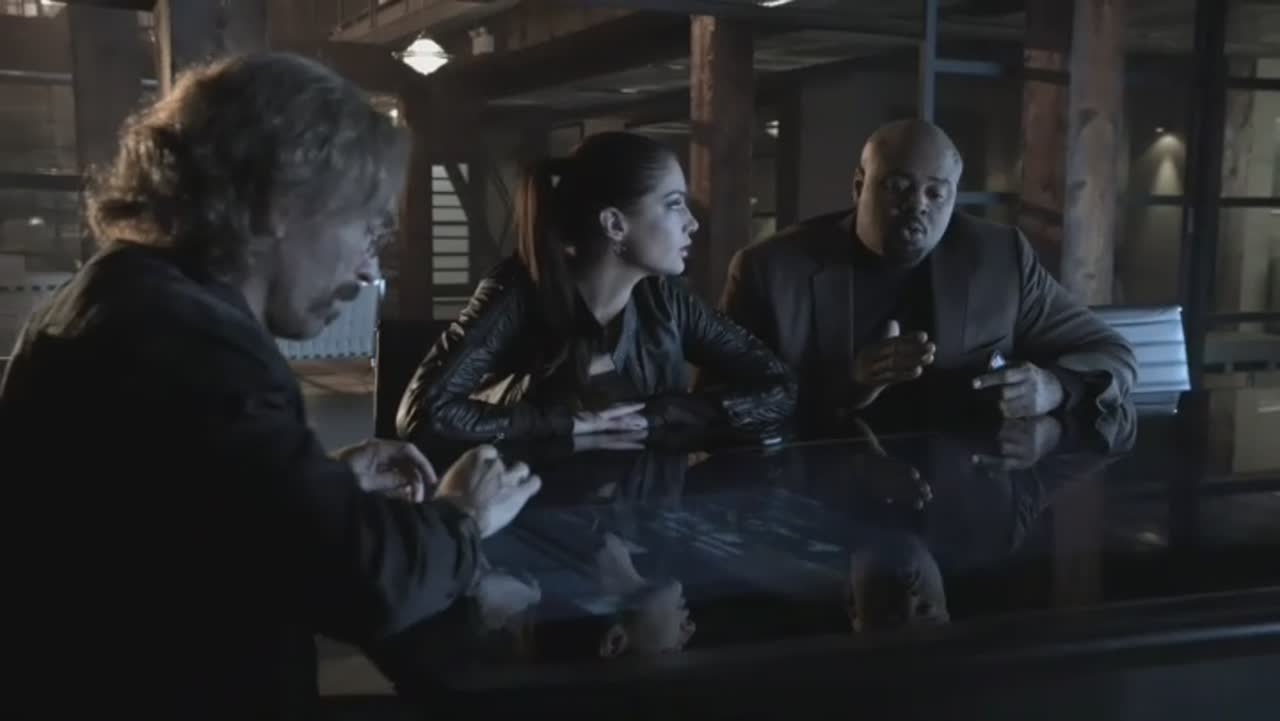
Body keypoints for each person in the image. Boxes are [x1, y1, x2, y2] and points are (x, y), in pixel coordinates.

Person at [0, 53, 540, 719]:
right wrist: (462, 516)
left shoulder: (112, 294)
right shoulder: (194, 343)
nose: (370, 269)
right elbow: (361, 581)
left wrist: (320, 478)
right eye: (367, 227)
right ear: (285, 201)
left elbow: (178, 519)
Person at [718, 118, 1136, 431]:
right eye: (898, 186)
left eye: (936, 193)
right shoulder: (770, 270)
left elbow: (1111, 352)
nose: (918, 205)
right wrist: (848, 382)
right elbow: (720, 406)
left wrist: (1054, 388)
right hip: (814, 497)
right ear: (859, 186)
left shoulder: (998, 258)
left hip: (960, 497)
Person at [396, 131, 797, 445]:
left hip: (646, 510)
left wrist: (658, 415)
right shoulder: (516, 290)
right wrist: (567, 423)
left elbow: (778, 386)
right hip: (533, 506)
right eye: (674, 203)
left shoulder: (667, 301)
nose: (692, 223)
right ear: (615, 224)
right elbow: (423, 415)